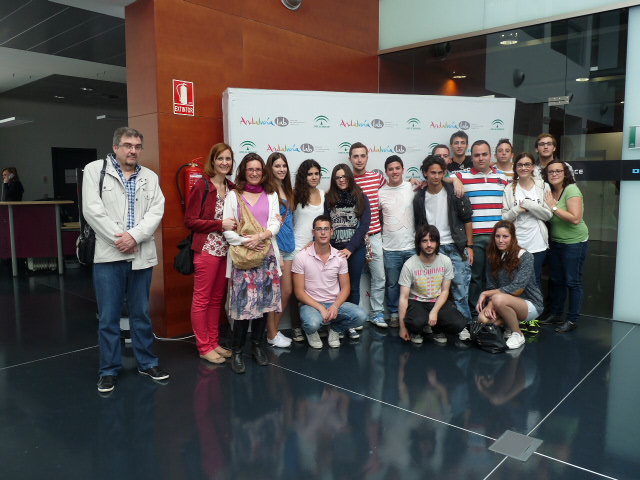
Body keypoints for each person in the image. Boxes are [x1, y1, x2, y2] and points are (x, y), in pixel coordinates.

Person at [83, 127, 168, 394]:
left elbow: (157, 211)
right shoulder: (95, 171)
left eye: (137, 146)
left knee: (141, 312)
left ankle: (147, 362)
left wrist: (134, 237)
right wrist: (119, 239)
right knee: (108, 316)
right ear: (116, 146)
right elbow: (92, 210)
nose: (133, 150)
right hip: (109, 256)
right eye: (128, 145)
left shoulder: (150, 177)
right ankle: (108, 370)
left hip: (140, 254)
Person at [222, 153, 282, 374]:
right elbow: (227, 228)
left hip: (266, 256)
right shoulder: (233, 196)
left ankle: (257, 346)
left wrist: (262, 236)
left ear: (263, 172)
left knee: (265, 304)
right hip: (243, 258)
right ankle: (237, 351)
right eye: (250, 169)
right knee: (242, 307)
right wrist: (247, 242)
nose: (255, 173)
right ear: (244, 172)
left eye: (258, 169)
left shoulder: (271, 193)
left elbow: (276, 221)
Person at [184, 143, 237, 364]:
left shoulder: (232, 187)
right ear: (212, 161)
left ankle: (214, 342)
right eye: (220, 159)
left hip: (227, 251)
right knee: (202, 299)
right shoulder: (202, 186)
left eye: (228, 159)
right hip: (207, 249)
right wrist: (219, 224)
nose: (224, 163)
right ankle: (204, 346)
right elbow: (190, 221)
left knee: (217, 299)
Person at [413, 155, 474, 322]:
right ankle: (438, 326)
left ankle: (464, 326)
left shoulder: (455, 192)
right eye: (432, 172)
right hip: (432, 250)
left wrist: (469, 246)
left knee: (460, 290)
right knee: (433, 292)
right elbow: (418, 225)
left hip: (455, 246)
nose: (436, 176)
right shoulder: (419, 197)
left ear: (445, 173)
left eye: (440, 173)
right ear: (425, 173)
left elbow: (467, 218)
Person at [292, 215, 367, 348]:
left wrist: (335, 306)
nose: (322, 232)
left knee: (361, 316)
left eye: (326, 229)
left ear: (332, 232)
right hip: (311, 305)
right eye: (319, 229)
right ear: (313, 232)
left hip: (333, 302)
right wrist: (320, 307)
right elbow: (298, 292)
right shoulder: (301, 257)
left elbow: (345, 288)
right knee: (312, 323)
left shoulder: (339, 257)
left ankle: (336, 329)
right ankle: (311, 332)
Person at [453, 140, 509, 315]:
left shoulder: (503, 178)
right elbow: (439, 178)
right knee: (475, 278)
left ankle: (495, 310)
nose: (481, 158)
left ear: (490, 155)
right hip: (475, 237)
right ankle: (476, 312)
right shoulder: (462, 176)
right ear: (472, 156)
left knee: (496, 277)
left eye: (484, 154)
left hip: (498, 238)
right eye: (476, 155)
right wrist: (454, 180)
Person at [476, 220, 544, 350]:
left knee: (498, 299)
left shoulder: (526, 256)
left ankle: (517, 334)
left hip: (530, 304)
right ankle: (510, 324)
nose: (501, 240)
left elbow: (517, 289)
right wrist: (490, 303)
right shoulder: (492, 256)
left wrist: (486, 294)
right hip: (503, 301)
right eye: (497, 236)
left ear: (512, 238)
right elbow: (491, 285)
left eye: (505, 236)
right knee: (482, 319)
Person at [398, 225, 467, 345]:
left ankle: (437, 330)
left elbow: (445, 291)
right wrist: (402, 328)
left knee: (459, 323)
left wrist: (434, 311)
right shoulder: (409, 265)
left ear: (437, 243)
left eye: (432, 240)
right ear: (419, 243)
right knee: (416, 322)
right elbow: (403, 298)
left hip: (437, 300)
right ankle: (417, 331)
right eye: (425, 241)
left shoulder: (445, 261)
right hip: (417, 301)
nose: (429, 245)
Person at [324, 163, 371, 339]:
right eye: (338, 177)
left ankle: (350, 323)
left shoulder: (361, 197)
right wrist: (334, 249)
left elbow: (364, 225)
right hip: (334, 250)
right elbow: (326, 224)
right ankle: (336, 324)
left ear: (350, 177)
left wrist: (350, 248)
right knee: (335, 288)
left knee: (354, 287)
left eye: (344, 176)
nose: (341, 180)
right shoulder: (329, 198)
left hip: (355, 250)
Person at [543, 159, 589, 333]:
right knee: (557, 280)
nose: (554, 174)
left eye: (558, 171)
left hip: (574, 243)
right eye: (551, 172)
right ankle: (556, 314)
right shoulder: (550, 192)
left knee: (573, 282)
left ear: (565, 174)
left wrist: (553, 207)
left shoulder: (571, 190)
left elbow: (575, 218)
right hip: (557, 243)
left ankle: (572, 319)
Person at [349, 142, 387, 327]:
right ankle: (355, 316)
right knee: (352, 281)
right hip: (354, 239)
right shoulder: (347, 181)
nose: (359, 159)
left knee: (379, 276)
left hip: (374, 235)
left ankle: (377, 313)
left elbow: (392, 191)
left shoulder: (377, 178)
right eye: (355, 156)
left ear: (367, 157)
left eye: (362, 155)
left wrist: (412, 181)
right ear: (350, 159)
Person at [501, 152, 552, 290]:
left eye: (527, 164)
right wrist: (517, 209)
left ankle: (534, 311)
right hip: (516, 243)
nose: (524, 168)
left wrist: (530, 205)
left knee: (534, 280)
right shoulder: (509, 188)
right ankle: (515, 310)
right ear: (515, 167)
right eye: (520, 165)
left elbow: (548, 215)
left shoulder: (543, 186)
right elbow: (505, 217)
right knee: (514, 280)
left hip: (537, 242)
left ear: (533, 167)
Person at [378, 155, 416, 328]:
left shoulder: (413, 187)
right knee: (392, 284)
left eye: (397, 168)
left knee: (414, 284)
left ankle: (411, 313)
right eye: (391, 169)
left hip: (412, 247)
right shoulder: (381, 192)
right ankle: (394, 313)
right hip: (390, 248)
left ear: (403, 169)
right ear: (386, 172)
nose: (394, 171)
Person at [264, 152, 295, 348]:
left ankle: (273, 332)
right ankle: (272, 333)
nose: (281, 169)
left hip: (290, 247)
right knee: (274, 294)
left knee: (287, 291)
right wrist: (274, 251)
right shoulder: (268, 192)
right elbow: (268, 224)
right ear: (270, 168)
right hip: (276, 248)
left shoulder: (287, 189)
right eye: (277, 166)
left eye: (284, 165)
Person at [292, 159, 324, 342]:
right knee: (295, 291)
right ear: (304, 176)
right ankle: (296, 327)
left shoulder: (324, 194)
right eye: (310, 174)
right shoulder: (295, 194)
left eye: (316, 173)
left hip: (316, 248)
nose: (313, 177)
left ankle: (314, 326)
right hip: (297, 249)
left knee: (313, 289)